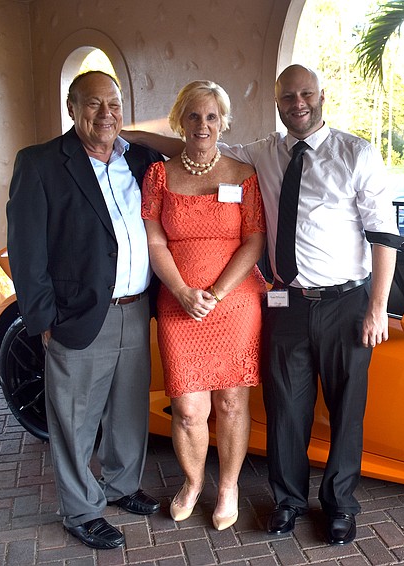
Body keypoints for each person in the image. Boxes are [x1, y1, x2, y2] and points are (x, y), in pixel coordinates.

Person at [125, 64, 399, 545]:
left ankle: (339, 505)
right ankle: (289, 500)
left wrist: (378, 306)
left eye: (306, 93)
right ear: (277, 101)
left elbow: (384, 235)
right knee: (286, 410)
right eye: (288, 95)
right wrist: (118, 128)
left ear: (320, 96)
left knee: (345, 409)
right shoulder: (263, 154)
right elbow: (195, 146)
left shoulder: (356, 153)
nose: (298, 102)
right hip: (284, 302)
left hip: (344, 303)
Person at [6, 70, 162, 550]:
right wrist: (43, 320)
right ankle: (81, 510)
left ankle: (121, 486)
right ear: (71, 108)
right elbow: (26, 249)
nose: (105, 113)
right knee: (74, 419)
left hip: (135, 308)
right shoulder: (40, 163)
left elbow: (189, 147)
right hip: (77, 314)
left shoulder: (139, 159)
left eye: (113, 104)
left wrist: (126, 131)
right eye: (93, 104)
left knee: (129, 409)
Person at [140, 80, 266, 531]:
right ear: (180, 121)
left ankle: (228, 487)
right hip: (179, 305)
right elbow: (155, 239)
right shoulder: (159, 175)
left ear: (223, 122)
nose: (203, 124)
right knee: (190, 408)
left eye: (212, 116)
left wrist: (216, 292)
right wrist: (181, 290)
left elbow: (253, 241)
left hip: (234, 304)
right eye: (194, 115)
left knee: (232, 403)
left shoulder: (242, 175)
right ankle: (193, 482)